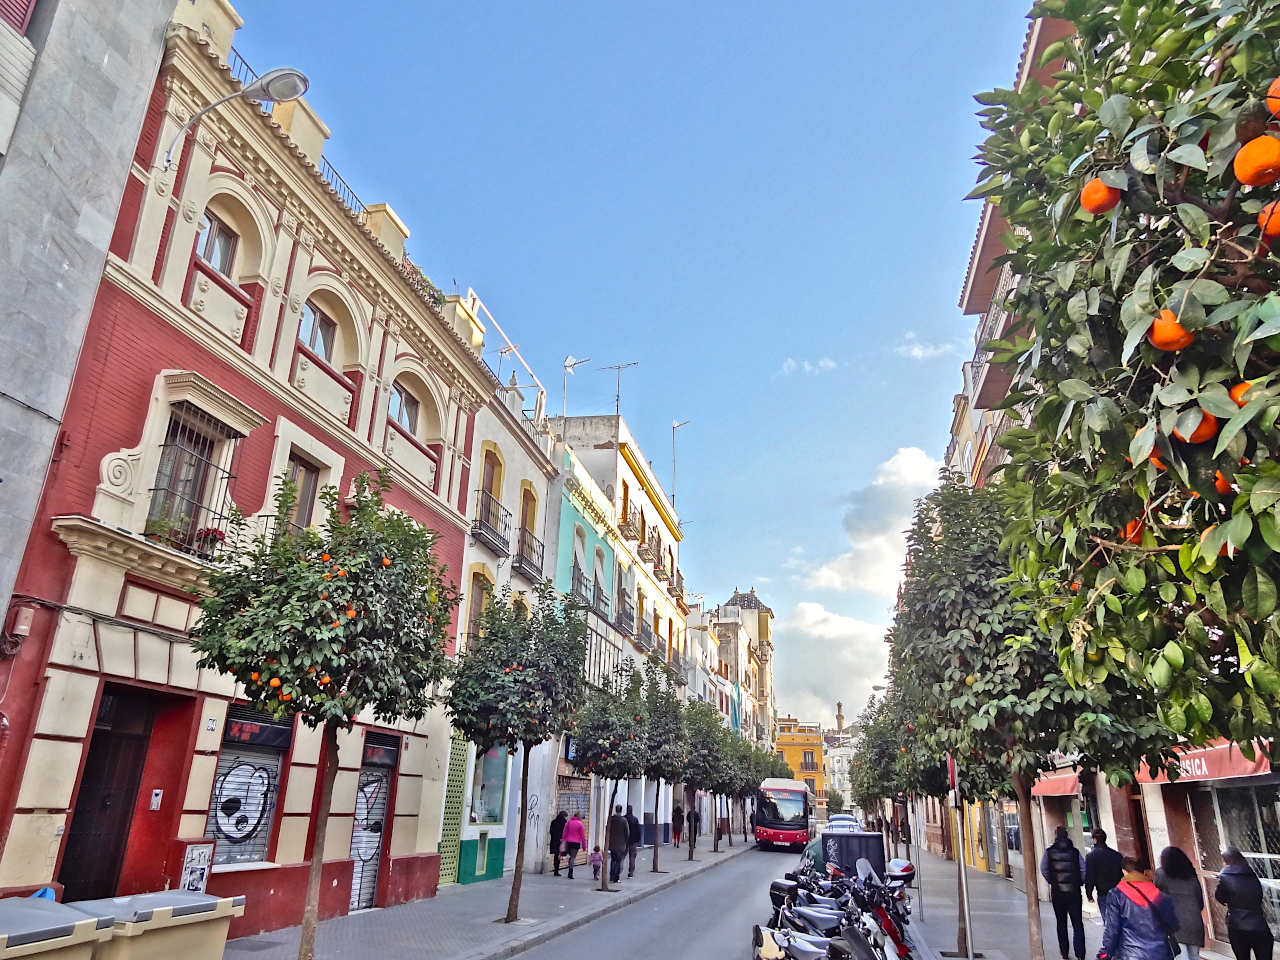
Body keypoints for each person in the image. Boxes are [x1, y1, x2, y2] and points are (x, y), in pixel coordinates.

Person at [1101, 856, 1181, 960]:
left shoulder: (1116, 895)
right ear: (1143, 872)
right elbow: (1173, 925)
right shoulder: (1160, 894)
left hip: (1131, 954)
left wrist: (1104, 954)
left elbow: (1112, 931)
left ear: (1124, 871)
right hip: (1161, 953)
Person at [1215, 848, 1275, 960]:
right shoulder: (1251, 874)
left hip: (1237, 927)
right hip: (1259, 925)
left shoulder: (1224, 877)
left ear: (1226, 862)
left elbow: (1220, 898)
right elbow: (1258, 895)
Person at [1041, 825, 1087, 960]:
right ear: (1067, 836)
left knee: (1061, 923)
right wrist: (1080, 881)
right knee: (1077, 923)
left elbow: (1044, 869)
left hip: (1058, 894)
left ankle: (1065, 953)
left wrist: (1053, 881)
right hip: (1074, 893)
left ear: (1056, 836)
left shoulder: (1049, 852)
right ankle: (1080, 954)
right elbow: (1083, 870)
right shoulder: (1075, 852)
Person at [1155, 845, 1205, 960]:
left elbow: (1157, 898)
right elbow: (1200, 901)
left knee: (1180, 956)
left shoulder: (1161, 874)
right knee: (1194, 956)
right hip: (1194, 922)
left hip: (1174, 922)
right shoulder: (1191, 875)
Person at [1086, 828, 1125, 916]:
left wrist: (1089, 894)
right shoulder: (1117, 855)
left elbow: (1090, 877)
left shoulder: (1091, 856)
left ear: (1094, 840)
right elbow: (1122, 874)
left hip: (1103, 893)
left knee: (1108, 922)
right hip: (1118, 892)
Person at [607, 804, 629, 883]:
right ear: (621, 810)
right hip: (621, 844)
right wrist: (626, 842)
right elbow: (627, 832)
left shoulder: (611, 819)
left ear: (615, 810)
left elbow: (607, 829)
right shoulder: (624, 820)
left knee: (613, 860)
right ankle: (616, 877)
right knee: (618, 861)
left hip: (612, 844)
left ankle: (611, 876)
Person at [561, 811, 586, 879]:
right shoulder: (580, 824)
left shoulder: (568, 822)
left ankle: (570, 866)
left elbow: (564, 833)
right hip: (576, 843)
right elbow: (583, 836)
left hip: (568, 842)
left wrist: (563, 841)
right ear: (579, 816)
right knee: (573, 857)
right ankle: (570, 872)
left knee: (571, 857)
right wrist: (584, 847)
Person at [549, 810, 568, 877]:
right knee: (559, 855)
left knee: (556, 855)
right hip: (561, 841)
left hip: (554, 841)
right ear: (564, 816)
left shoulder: (554, 821)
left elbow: (551, 831)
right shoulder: (565, 822)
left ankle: (556, 870)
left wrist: (554, 837)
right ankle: (556, 871)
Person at [625, 804, 642, 877]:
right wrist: (638, 839)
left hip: (625, 840)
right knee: (632, 856)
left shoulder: (624, 818)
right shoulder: (635, 819)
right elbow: (638, 830)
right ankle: (631, 871)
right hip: (633, 841)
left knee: (622, 856)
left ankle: (617, 872)